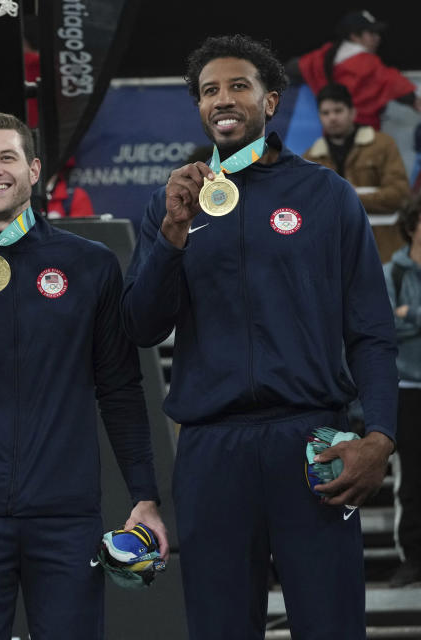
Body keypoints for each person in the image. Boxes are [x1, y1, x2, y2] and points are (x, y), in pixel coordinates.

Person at [122, 35, 398, 639]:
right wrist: (172, 235)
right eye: (210, 90)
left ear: (270, 101)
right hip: (211, 451)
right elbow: (143, 327)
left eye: (238, 86)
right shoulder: (175, 202)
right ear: (198, 107)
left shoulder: (325, 196)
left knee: (331, 627)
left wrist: (379, 435)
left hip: (309, 444)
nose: (224, 99)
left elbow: (372, 331)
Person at [0, 112, 167, 640]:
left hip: (66, 517)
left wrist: (144, 494)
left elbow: (119, 387)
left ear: (34, 169)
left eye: (6, 157)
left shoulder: (89, 264)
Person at [292, 10, 421, 130]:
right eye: (371, 33)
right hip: (364, 134)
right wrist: (414, 100)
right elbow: (390, 82)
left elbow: (294, 67)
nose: (378, 38)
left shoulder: (324, 55)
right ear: (354, 36)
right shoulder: (366, 62)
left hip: (332, 133)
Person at [385, 197, 421, 587]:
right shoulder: (391, 273)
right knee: (410, 479)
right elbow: (385, 328)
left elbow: (401, 320)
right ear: (411, 225)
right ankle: (413, 557)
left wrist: (411, 314)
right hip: (408, 388)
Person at [304, 84, 409, 214]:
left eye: (338, 110)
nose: (332, 118)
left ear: (353, 113)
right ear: (319, 117)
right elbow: (304, 202)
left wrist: (353, 197)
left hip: (378, 233)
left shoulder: (383, 144)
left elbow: (400, 195)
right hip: (334, 233)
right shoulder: (310, 158)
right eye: (325, 113)